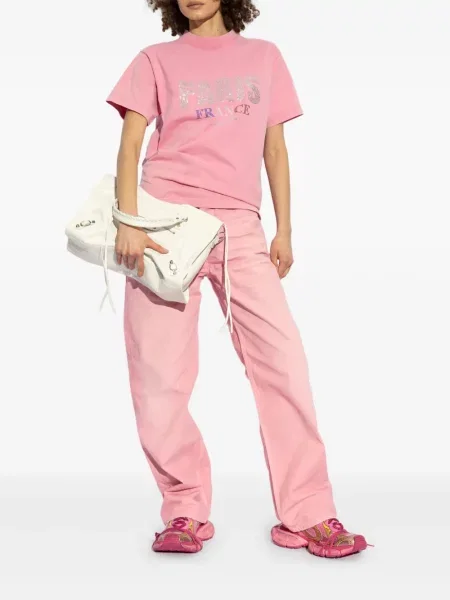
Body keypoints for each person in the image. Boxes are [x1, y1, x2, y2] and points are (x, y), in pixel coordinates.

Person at [106, 0, 368, 558]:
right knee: (158, 377)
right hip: (163, 224)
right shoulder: (154, 59)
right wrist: (128, 220)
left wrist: (284, 230)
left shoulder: (265, 57)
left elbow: (275, 147)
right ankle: (184, 510)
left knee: (283, 365)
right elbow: (130, 144)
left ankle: (309, 513)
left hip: (239, 228)